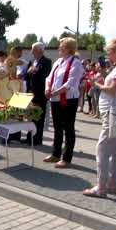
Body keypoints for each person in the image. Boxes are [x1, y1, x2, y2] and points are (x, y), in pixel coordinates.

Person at [83, 38, 116, 198]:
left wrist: (97, 85)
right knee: (114, 150)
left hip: (115, 112)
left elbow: (113, 90)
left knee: (102, 149)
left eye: (110, 52)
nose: (109, 56)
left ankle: (101, 186)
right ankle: (112, 184)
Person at [44, 37, 85, 168]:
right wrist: (47, 88)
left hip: (69, 99)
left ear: (69, 48)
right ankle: (55, 153)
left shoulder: (76, 63)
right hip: (55, 99)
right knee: (57, 127)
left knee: (68, 128)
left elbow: (71, 83)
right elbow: (49, 77)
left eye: (61, 46)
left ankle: (66, 157)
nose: (59, 48)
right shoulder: (58, 61)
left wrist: (55, 92)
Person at [25, 42, 52, 146]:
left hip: (40, 94)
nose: (32, 52)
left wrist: (35, 71)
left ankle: (37, 139)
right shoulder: (32, 61)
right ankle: (29, 138)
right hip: (30, 93)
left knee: (39, 117)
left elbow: (45, 77)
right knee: (30, 116)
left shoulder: (47, 62)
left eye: (34, 49)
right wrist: (29, 71)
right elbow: (26, 77)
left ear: (40, 50)